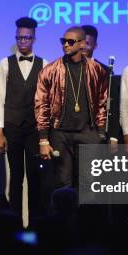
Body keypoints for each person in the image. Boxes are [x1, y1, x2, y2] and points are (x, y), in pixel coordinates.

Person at [35, 26, 108, 189]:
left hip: (88, 133)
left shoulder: (97, 70)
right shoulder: (49, 71)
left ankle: (85, 215)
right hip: (61, 134)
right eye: (63, 41)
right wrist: (43, 138)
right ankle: (64, 215)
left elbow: (102, 103)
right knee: (62, 183)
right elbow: (41, 106)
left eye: (70, 41)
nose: (65, 45)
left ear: (82, 44)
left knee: (89, 185)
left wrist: (101, 133)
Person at [0, 17, 48, 219]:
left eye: (27, 38)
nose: (22, 41)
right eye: (19, 38)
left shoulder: (45, 64)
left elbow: (46, 102)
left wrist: (45, 134)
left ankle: (35, 222)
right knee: (15, 177)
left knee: (35, 177)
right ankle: (14, 221)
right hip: (12, 126)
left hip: (34, 128)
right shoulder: (4, 64)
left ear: (34, 38)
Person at [82, 25, 121, 146]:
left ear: (95, 46)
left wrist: (114, 136)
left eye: (87, 43)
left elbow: (113, 105)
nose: (83, 47)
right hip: (71, 132)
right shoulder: (63, 68)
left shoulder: (105, 71)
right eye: (81, 42)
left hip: (97, 132)